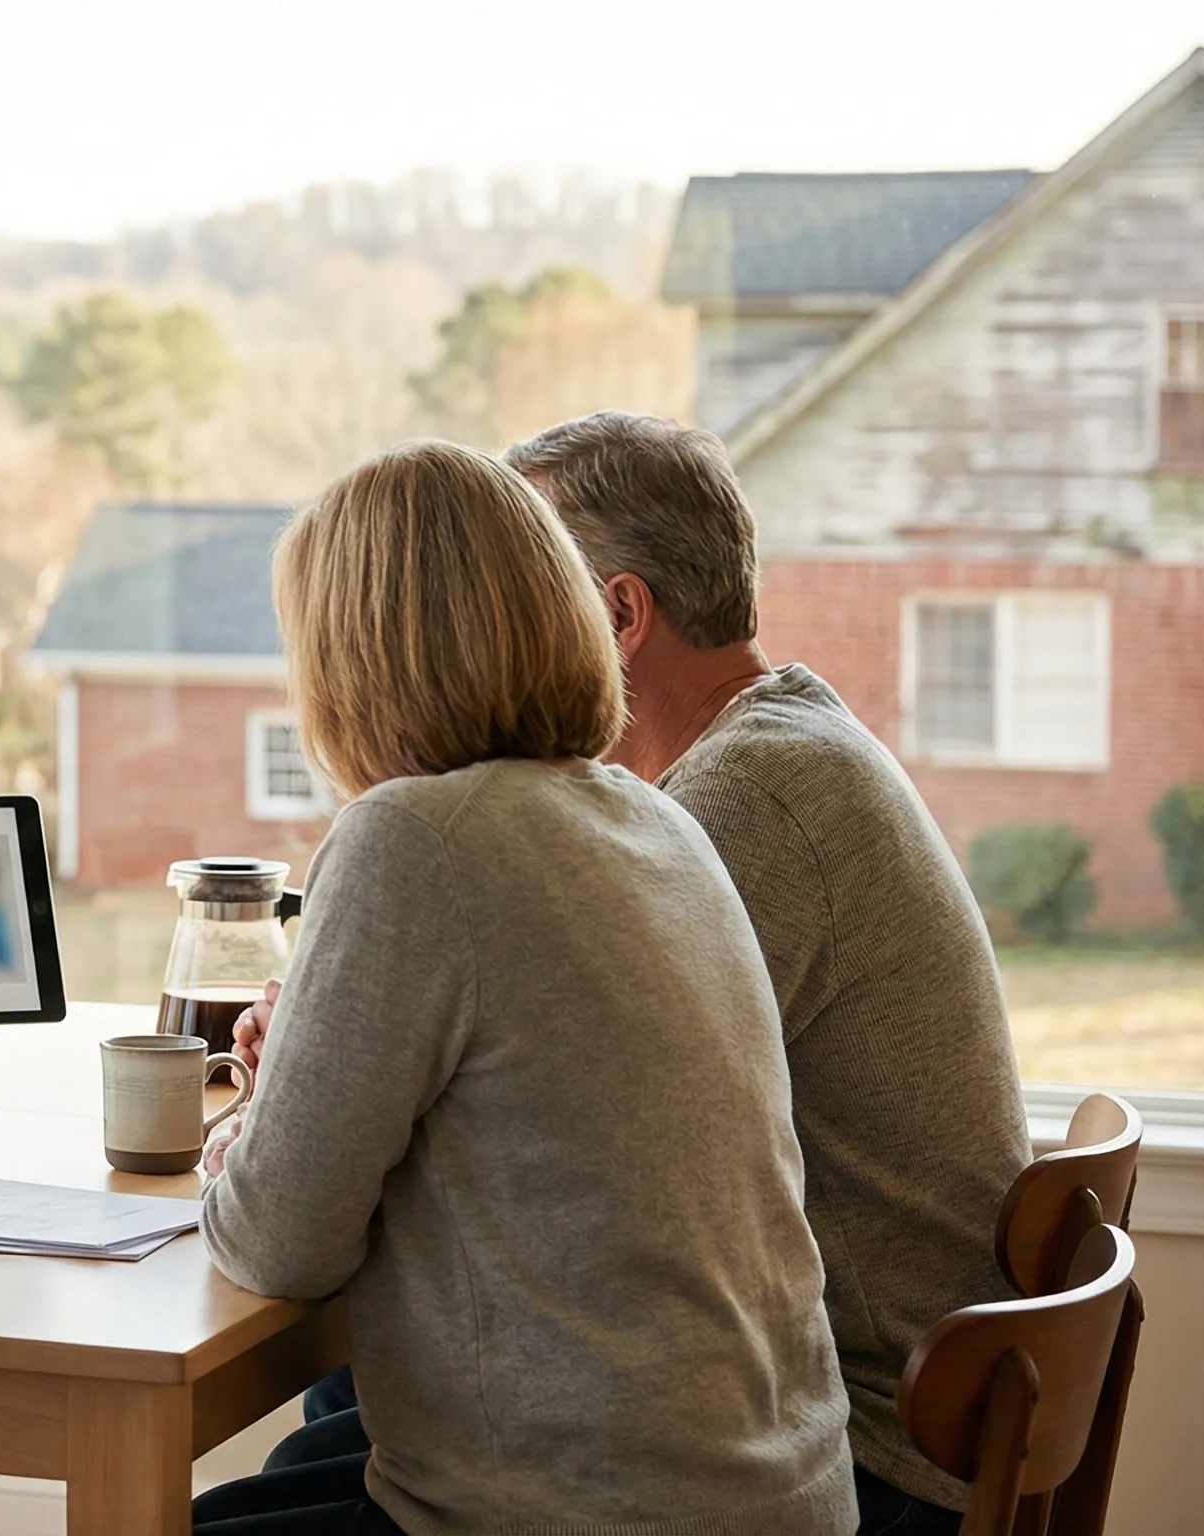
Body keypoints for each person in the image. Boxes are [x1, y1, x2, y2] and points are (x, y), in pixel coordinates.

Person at [194, 440, 856, 1536]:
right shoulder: (654, 819)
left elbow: (277, 1242)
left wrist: (238, 1139)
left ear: (352, 659)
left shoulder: (410, 839)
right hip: (774, 1489)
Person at [504, 411, 1032, 1533]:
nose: (494, 645)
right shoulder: (784, 740)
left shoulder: (751, 799)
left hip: (864, 1449)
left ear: (618, 614)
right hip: (882, 1406)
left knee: (400, 1386)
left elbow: (575, 1136)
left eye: (518, 605)